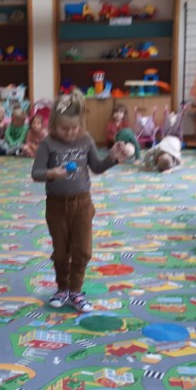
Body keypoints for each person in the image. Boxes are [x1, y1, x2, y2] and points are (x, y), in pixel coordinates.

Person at [31, 91, 127, 312]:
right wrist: (52, 173)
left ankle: (75, 290)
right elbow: (36, 173)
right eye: (64, 128)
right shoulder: (47, 143)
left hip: (82, 203)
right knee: (61, 251)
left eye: (74, 128)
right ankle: (62, 288)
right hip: (56, 205)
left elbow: (96, 167)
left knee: (83, 250)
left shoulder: (86, 139)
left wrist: (113, 158)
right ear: (53, 125)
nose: (70, 133)